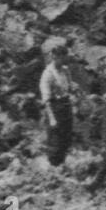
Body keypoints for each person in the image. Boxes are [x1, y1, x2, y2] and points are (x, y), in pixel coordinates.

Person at [38, 38, 77, 167]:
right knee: (55, 138)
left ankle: (62, 164)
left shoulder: (65, 70)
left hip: (66, 106)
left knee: (66, 136)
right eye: (62, 57)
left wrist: (74, 91)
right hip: (55, 107)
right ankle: (53, 164)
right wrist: (52, 118)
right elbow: (46, 99)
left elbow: (70, 87)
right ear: (56, 57)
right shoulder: (48, 74)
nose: (65, 60)